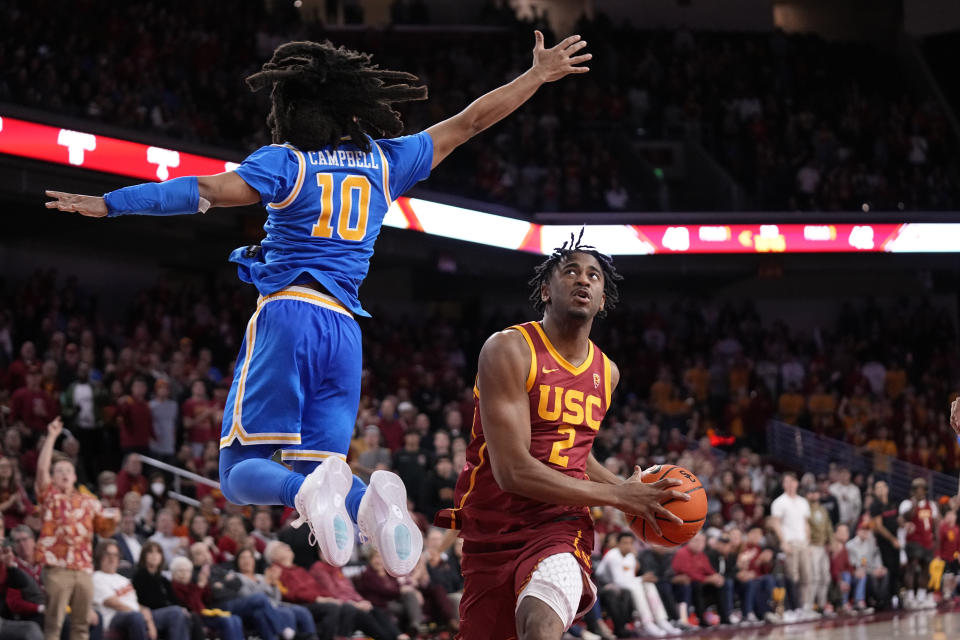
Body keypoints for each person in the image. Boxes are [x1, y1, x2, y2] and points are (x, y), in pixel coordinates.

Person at [46, 31, 593, 578]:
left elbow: (203, 191)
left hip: (290, 314)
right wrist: (536, 75)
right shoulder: (384, 162)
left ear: (294, 107)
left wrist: (111, 203)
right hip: (346, 331)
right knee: (321, 465)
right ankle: (377, 513)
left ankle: (309, 493)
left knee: (239, 474)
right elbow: (469, 122)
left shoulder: (287, 162)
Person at [433, 235, 688, 640]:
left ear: (603, 300)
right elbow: (513, 471)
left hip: (560, 525)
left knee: (540, 625)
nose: (583, 280)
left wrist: (626, 488)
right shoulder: (508, 349)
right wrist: (618, 496)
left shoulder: (608, 372)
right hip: (492, 526)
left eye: (594, 276)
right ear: (545, 290)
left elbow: (575, 451)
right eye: (570, 271)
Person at [35, 417, 104, 640]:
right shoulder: (50, 496)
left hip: (84, 567)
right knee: (54, 625)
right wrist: (52, 437)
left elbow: (105, 530)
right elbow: (41, 470)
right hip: (57, 567)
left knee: (81, 627)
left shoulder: (88, 501)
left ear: (74, 476)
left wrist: (114, 518)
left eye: (67, 470)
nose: (64, 473)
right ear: (54, 478)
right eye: (59, 471)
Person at [92, 539, 189, 640]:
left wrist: (148, 618)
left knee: (176, 612)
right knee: (135, 617)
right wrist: (143, 616)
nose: (112, 559)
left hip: (136, 614)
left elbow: (134, 603)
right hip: (115, 617)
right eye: (108, 554)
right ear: (100, 557)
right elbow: (115, 603)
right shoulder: (97, 577)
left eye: (115, 555)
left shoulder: (123, 579)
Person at [594, 532, 677, 636]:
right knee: (637, 588)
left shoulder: (630, 556)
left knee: (649, 585)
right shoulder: (612, 556)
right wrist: (642, 578)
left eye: (630, 543)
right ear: (618, 544)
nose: (628, 545)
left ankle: (661, 620)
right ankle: (646, 622)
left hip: (621, 583)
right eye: (625, 543)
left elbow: (629, 579)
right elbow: (619, 581)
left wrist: (642, 579)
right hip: (602, 585)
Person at [234, 548, 317, 639]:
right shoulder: (237, 578)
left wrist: (273, 585)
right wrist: (266, 582)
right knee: (286, 613)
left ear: (254, 560)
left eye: (250, 557)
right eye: (243, 558)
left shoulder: (260, 577)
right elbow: (249, 598)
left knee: (302, 611)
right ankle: (288, 635)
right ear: (237, 561)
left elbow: (277, 598)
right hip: (260, 609)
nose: (247, 561)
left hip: (275, 604)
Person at [770, 472, 814, 618]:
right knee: (791, 576)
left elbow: (806, 524)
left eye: (792, 481)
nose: (789, 484)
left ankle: (804, 606)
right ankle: (792, 608)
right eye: (786, 482)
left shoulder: (803, 501)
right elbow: (775, 524)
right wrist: (783, 542)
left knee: (806, 576)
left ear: (796, 483)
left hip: (803, 542)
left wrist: (808, 542)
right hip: (790, 542)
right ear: (783, 484)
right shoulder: (779, 502)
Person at [130, 541, 194, 635]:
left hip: (166, 612)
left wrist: (182, 608)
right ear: (144, 556)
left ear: (161, 556)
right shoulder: (140, 576)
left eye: (158, 552)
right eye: (150, 552)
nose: (154, 555)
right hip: (148, 614)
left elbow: (174, 599)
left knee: (190, 616)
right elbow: (145, 601)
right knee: (176, 613)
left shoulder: (163, 579)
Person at [899, 477, 939, 609]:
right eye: (917, 489)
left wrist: (935, 540)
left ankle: (921, 597)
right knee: (911, 567)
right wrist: (915, 504)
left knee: (925, 569)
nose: (919, 491)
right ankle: (910, 597)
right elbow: (905, 517)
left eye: (922, 488)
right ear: (913, 490)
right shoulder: (907, 503)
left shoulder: (931, 505)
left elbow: (935, 524)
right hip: (913, 541)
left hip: (927, 541)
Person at [869, 479, 901, 605]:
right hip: (884, 544)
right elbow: (879, 526)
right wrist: (892, 539)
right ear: (875, 491)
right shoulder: (875, 505)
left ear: (887, 488)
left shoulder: (893, 502)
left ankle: (896, 595)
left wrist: (905, 524)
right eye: (877, 488)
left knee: (897, 570)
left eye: (882, 487)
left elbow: (898, 520)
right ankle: (885, 598)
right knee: (888, 569)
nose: (881, 490)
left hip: (896, 541)